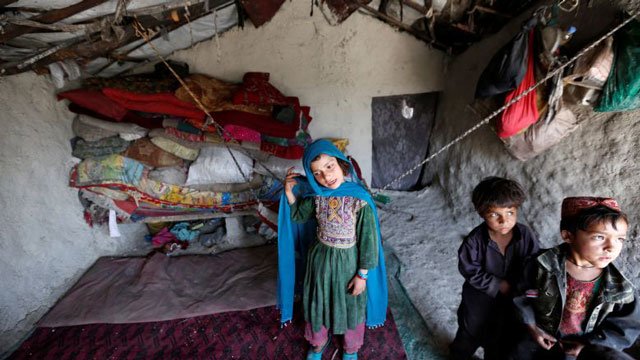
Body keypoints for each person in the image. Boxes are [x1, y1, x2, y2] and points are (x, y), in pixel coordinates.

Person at [277, 139, 387, 360]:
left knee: (351, 303)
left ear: (341, 163)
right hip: (319, 262)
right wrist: (289, 191)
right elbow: (298, 215)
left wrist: (362, 275)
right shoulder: (317, 196)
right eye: (317, 173)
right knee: (318, 299)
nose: (326, 177)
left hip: (349, 264)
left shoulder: (360, 199)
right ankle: (318, 343)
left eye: (329, 166)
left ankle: (350, 348)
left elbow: (369, 241)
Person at [509, 197, 640, 360]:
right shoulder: (541, 266)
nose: (611, 247)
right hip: (536, 339)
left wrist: (589, 346)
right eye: (599, 237)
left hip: (582, 349)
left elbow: (625, 327)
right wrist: (532, 326)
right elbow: (523, 296)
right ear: (568, 236)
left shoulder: (620, 288)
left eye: (619, 238)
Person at [450, 176, 540, 360]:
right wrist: (498, 284)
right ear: (481, 213)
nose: (504, 221)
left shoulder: (525, 235)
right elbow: (470, 270)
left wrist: (524, 286)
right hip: (479, 298)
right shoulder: (474, 241)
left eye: (510, 213)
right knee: (470, 331)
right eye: (494, 215)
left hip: (512, 297)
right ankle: (458, 355)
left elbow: (533, 261)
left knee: (500, 335)